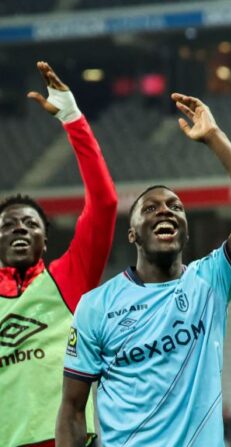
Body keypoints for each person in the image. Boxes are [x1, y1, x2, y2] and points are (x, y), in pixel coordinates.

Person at [56, 93, 231, 446]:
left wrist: (214, 137)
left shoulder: (211, 281)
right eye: (150, 208)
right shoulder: (96, 306)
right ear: (132, 234)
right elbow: (71, 411)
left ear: (184, 229)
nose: (165, 211)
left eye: (175, 206)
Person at [0, 62, 117, 447]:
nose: (19, 228)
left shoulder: (66, 279)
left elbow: (103, 204)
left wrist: (73, 118)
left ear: (45, 242)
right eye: (8, 225)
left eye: (30, 225)